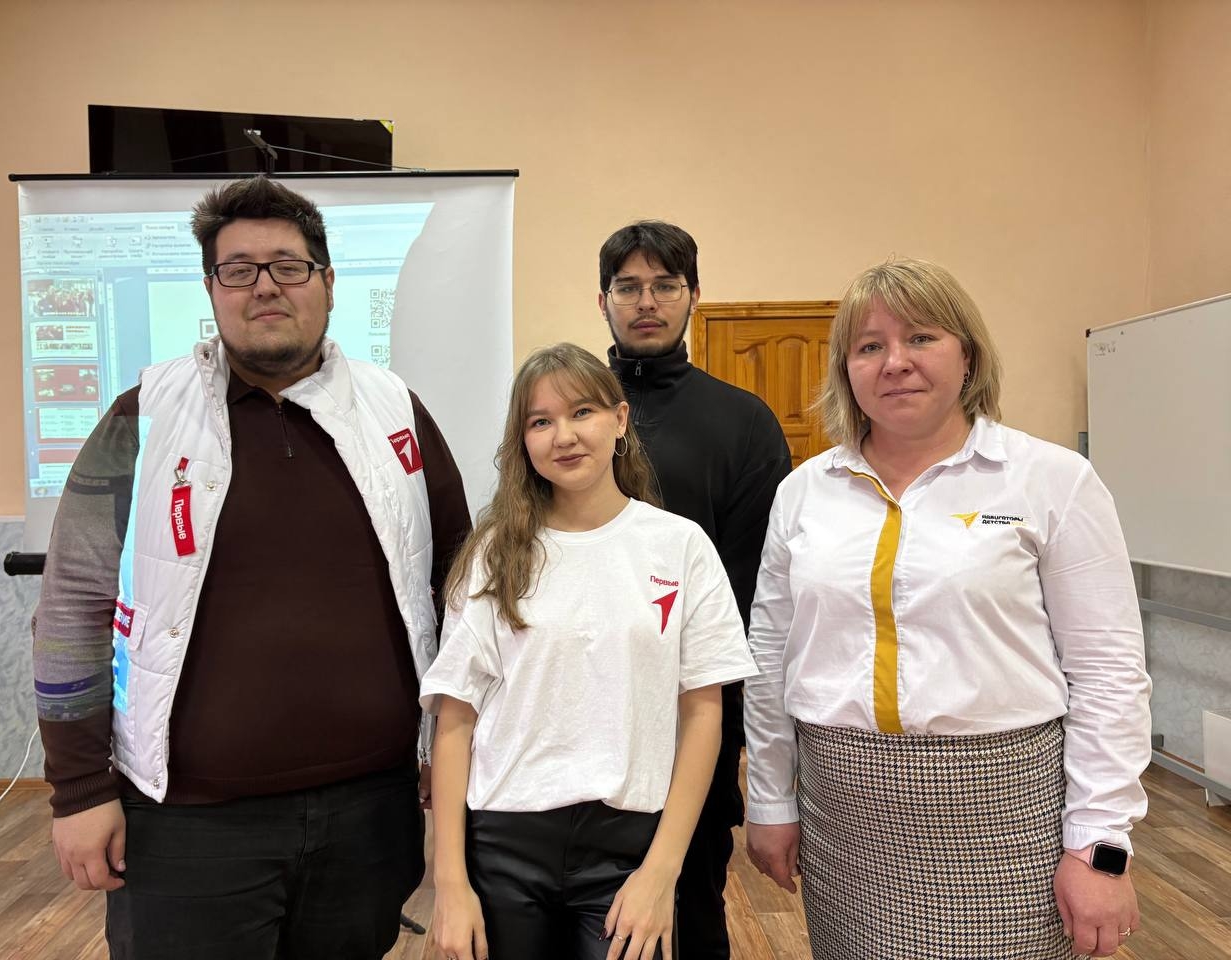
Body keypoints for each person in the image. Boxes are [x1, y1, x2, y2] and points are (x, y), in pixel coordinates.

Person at [31, 176, 471, 960]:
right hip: (187, 826)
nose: (265, 286)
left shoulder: (397, 412)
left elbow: (459, 592)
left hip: (369, 813)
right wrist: (80, 788)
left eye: (288, 266)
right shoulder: (142, 417)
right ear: (211, 290)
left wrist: (452, 748)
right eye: (238, 270)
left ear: (328, 283)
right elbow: (71, 608)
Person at [743, 258, 1152, 960]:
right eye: (869, 346)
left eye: (921, 337)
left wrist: (1100, 846)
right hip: (843, 814)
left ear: (968, 356)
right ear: (846, 370)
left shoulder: (1051, 480)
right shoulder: (804, 492)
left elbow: (1108, 672)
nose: (895, 362)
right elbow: (771, 656)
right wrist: (770, 800)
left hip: (1004, 814)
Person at [422, 343, 757, 960]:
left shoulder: (680, 546)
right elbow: (456, 718)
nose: (564, 435)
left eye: (582, 412)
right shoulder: (494, 554)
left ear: (620, 420)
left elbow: (703, 712)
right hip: (503, 844)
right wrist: (450, 883)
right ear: (522, 441)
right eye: (540, 421)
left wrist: (662, 872)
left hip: (629, 847)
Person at [599, 220, 792, 958]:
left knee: (692, 897)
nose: (646, 302)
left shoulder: (743, 422)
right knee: (587, 901)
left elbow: (756, 586)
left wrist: (715, 708)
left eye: (665, 285)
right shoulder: (572, 415)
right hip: (586, 700)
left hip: (696, 707)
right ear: (603, 300)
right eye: (628, 287)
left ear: (694, 296)